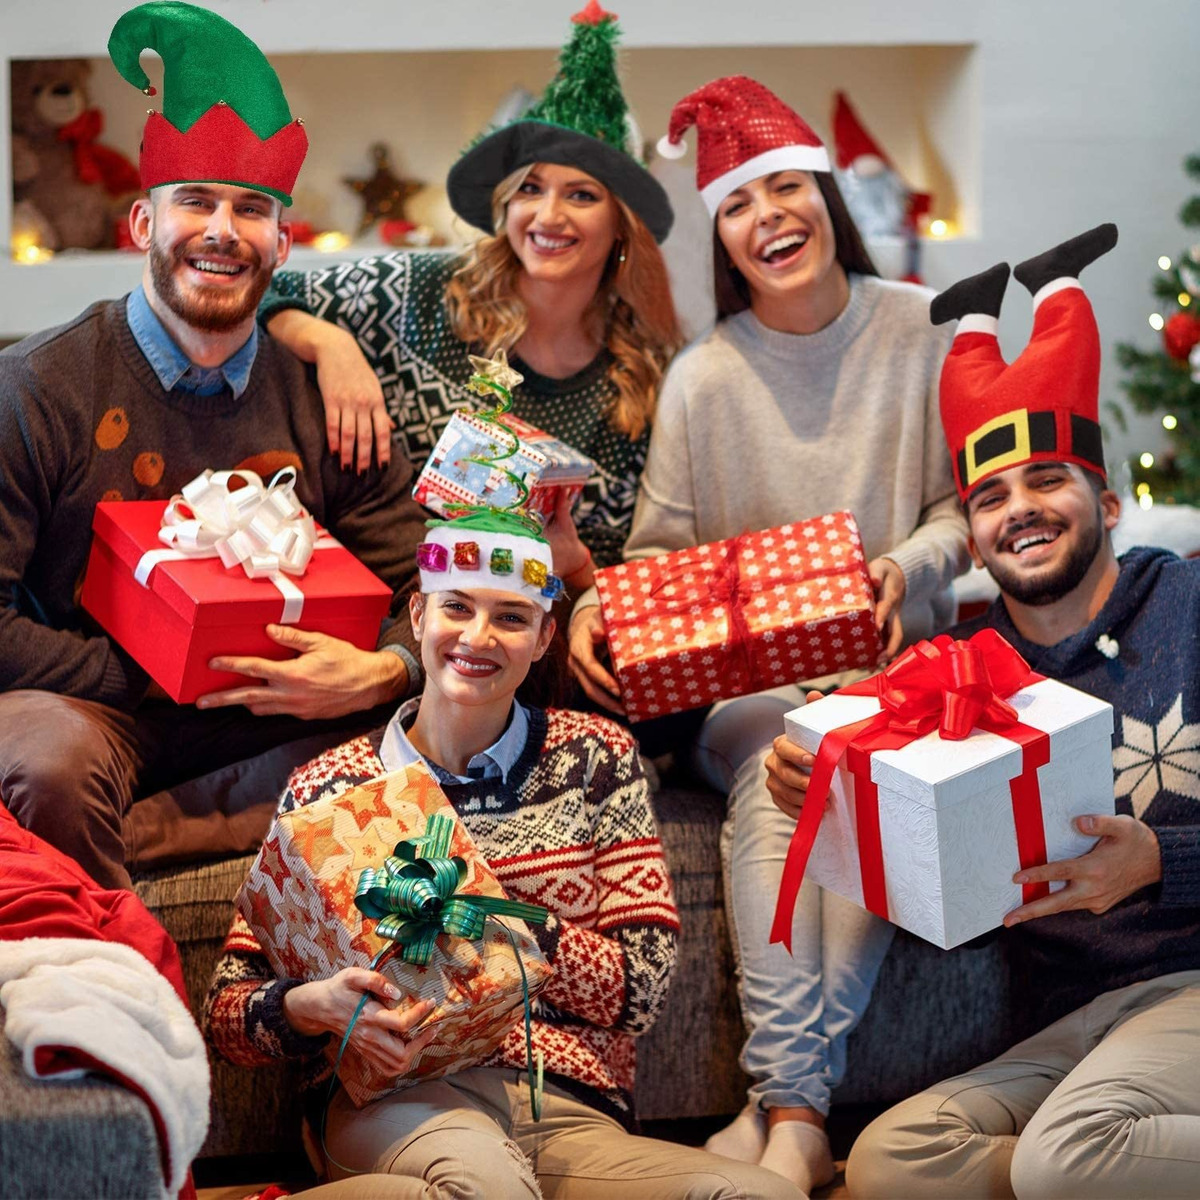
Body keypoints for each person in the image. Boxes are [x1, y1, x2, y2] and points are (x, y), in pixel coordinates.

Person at [568, 75, 971, 1192]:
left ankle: (785, 1111)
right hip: (755, 695)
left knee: (866, 761)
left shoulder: (922, 333)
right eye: (741, 206)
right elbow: (655, 554)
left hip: (897, 675)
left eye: (787, 189)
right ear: (725, 239)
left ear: (828, 204)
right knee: (792, 765)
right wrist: (614, 601)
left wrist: (907, 563)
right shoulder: (705, 379)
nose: (768, 218)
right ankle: (796, 1109)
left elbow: (960, 511)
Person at [766, 226, 1200, 1198]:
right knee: (889, 1161)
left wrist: (1163, 861)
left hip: (1192, 986)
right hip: (1068, 1023)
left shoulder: (1188, 608)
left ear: (1109, 500)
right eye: (991, 495)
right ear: (969, 534)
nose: (1021, 510)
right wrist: (815, 779)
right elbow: (885, 796)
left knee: (1064, 1158)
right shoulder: (958, 672)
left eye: (1048, 479)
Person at [204, 506, 803, 1200]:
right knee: (485, 1186)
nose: (478, 637)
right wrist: (317, 1007)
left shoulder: (595, 758)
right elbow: (228, 1015)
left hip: (565, 1107)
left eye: (512, 617)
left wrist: (491, 919)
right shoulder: (330, 788)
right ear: (418, 616)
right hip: (399, 1098)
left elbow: (643, 988)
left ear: (546, 635)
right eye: (456, 607)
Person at [0, 2, 428, 891]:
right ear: (143, 225)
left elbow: (420, 579)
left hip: (285, 720)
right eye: (195, 201)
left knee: (450, 720)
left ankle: (191, 834)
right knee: (48, 763)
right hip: (98, 713)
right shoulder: (39, 388)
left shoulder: (326, 398)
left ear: (282, 238)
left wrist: (382, 667)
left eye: (251, 208)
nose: (223, 230)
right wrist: (164, 668)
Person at [260, 2, 681, 588]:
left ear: (621, 224)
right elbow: (263, 289)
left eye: (582, 195)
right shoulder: (420, 292)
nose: (548, 215)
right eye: (530, 188)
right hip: (372, 601)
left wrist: (575, 564)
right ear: (506, 203)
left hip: (525, 643)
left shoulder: (642, 379)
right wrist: (330, 345)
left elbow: (612, 579)